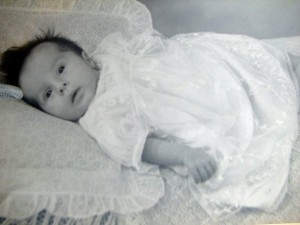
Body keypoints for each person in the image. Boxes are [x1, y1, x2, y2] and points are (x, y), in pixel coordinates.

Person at [1, 30, 300, 215]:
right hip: (186, 104)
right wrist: (184, 155)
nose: (62, 85)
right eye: (48, 93)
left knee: (229, 58)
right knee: (232, 108)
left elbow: (149, 47)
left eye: (61, 69)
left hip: (188, 69)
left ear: (86, 59)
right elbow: (144, 146)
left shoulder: (107, 57)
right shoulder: (100, 118)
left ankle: (276, 67)